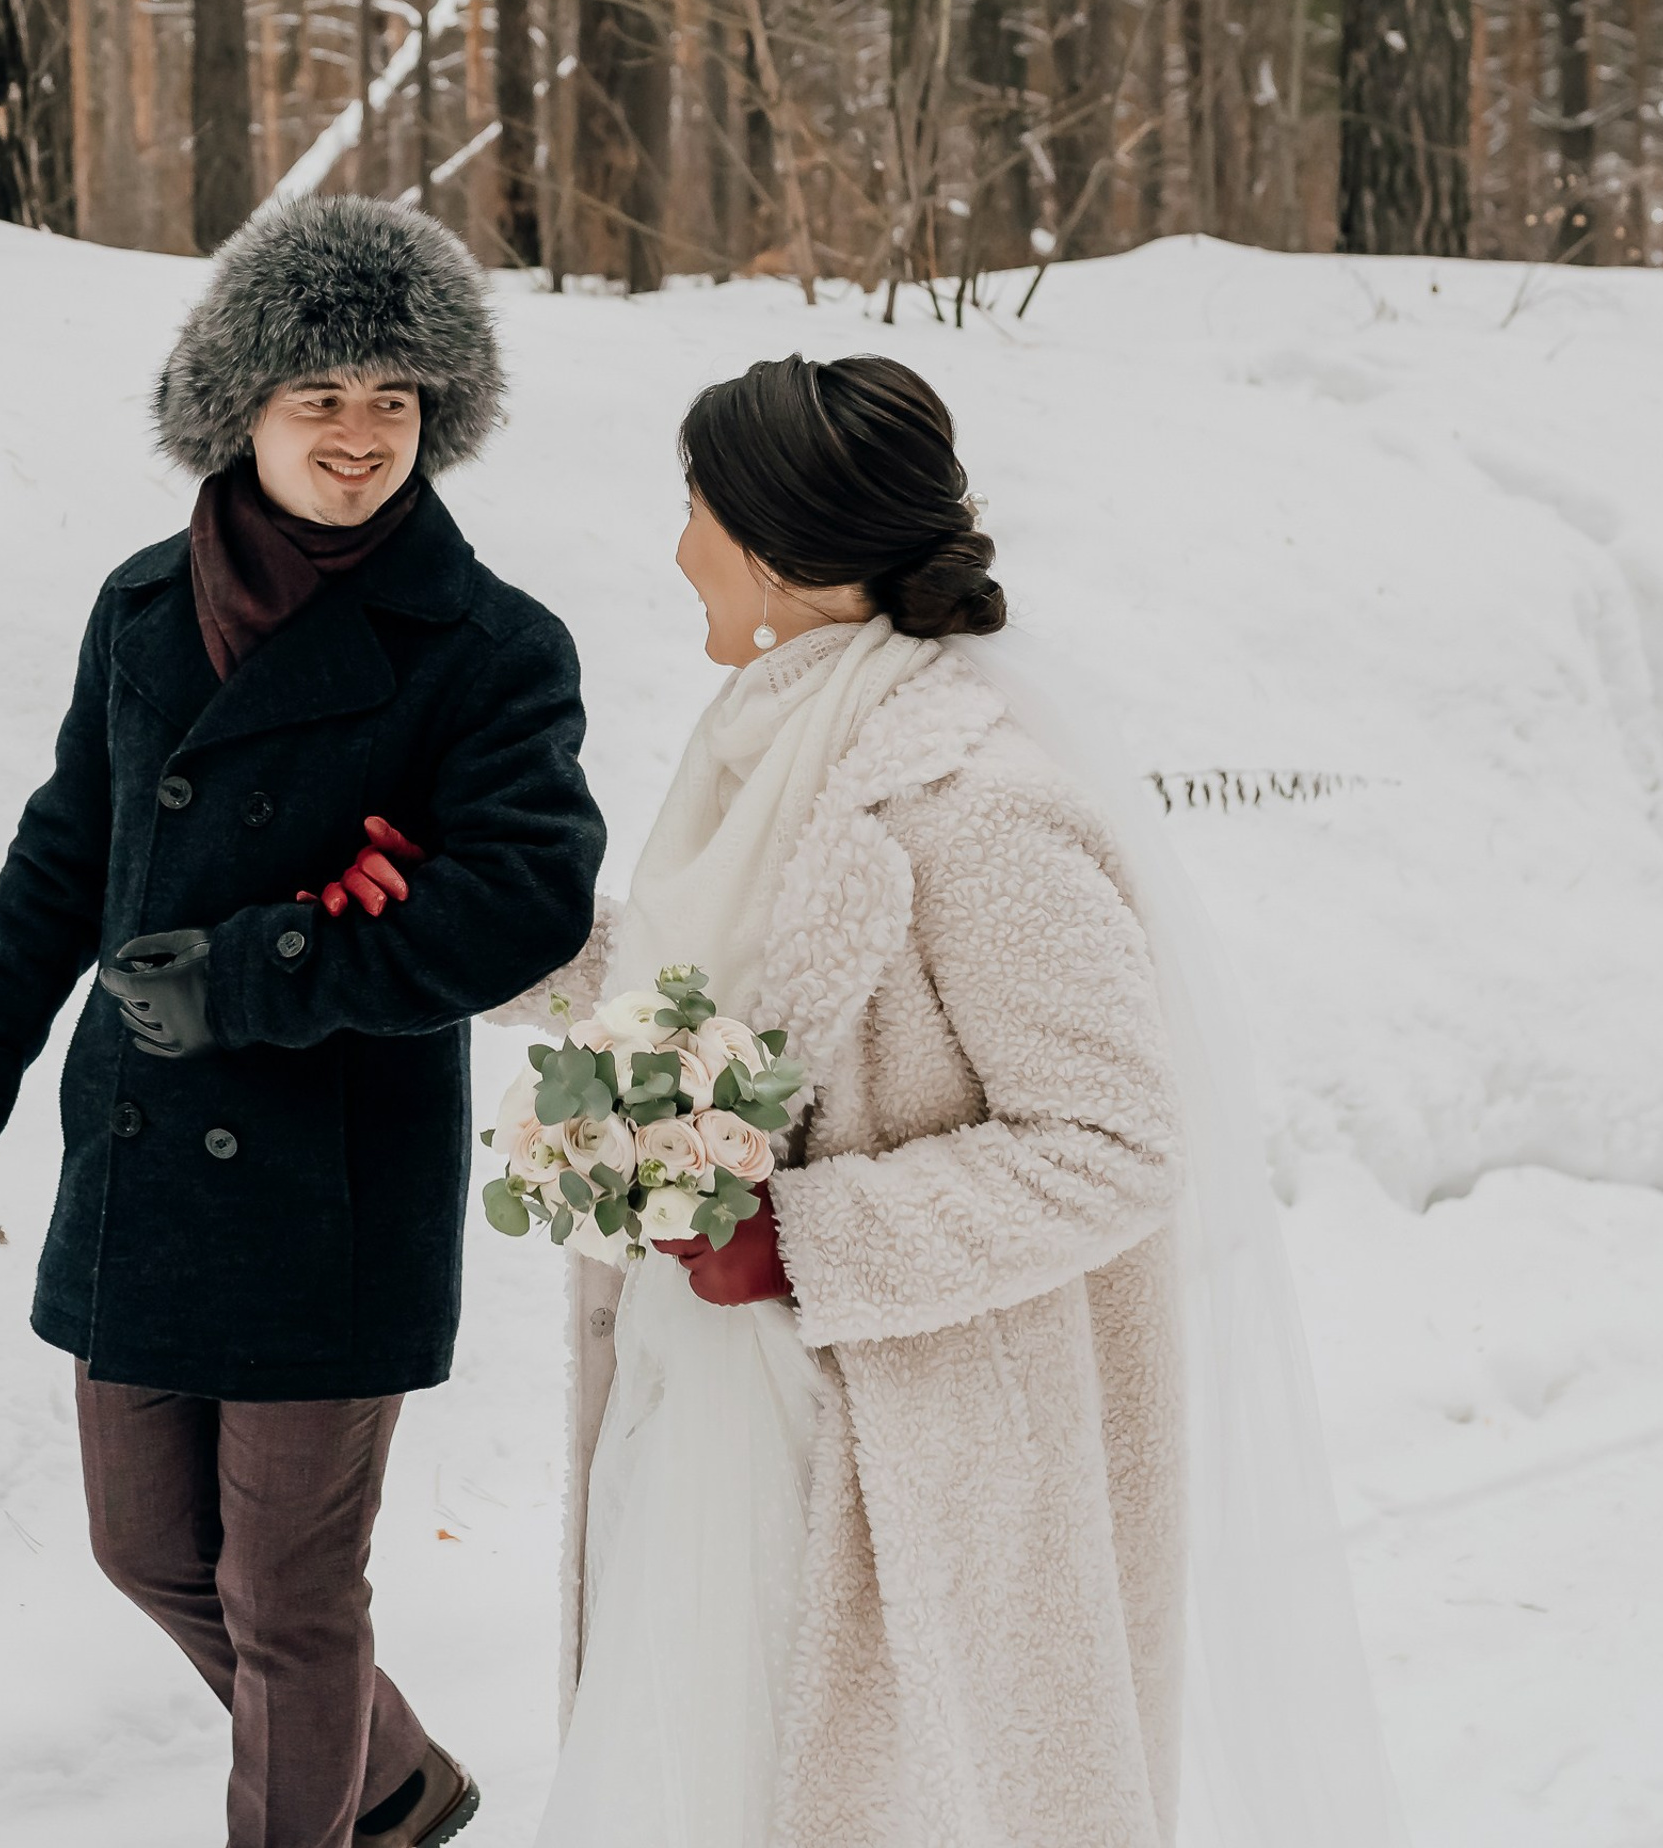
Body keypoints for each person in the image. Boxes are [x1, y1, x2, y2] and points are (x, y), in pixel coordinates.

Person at [514, 353, 1405, 1848]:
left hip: (897, 1463)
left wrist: (802, 1241)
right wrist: (491, 927)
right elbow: (710, 1001)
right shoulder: (763, 755)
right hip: (711, 1417)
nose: (674, 549)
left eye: (695, 510)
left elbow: (1115, 1141)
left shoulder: (974, 804)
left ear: (779, 550)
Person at [0, 195, 605, 1848]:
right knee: (145, 1550)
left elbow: (524, 899)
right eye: (320, 400)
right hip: (142, 1163)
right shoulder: (143, 607)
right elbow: (65, 859)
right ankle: (400, 1782)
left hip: (331, 1187)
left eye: (395, 403)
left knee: (290, 1604)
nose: (359, 441)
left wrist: (258, 970)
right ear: (242, 410)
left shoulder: (491, 649)